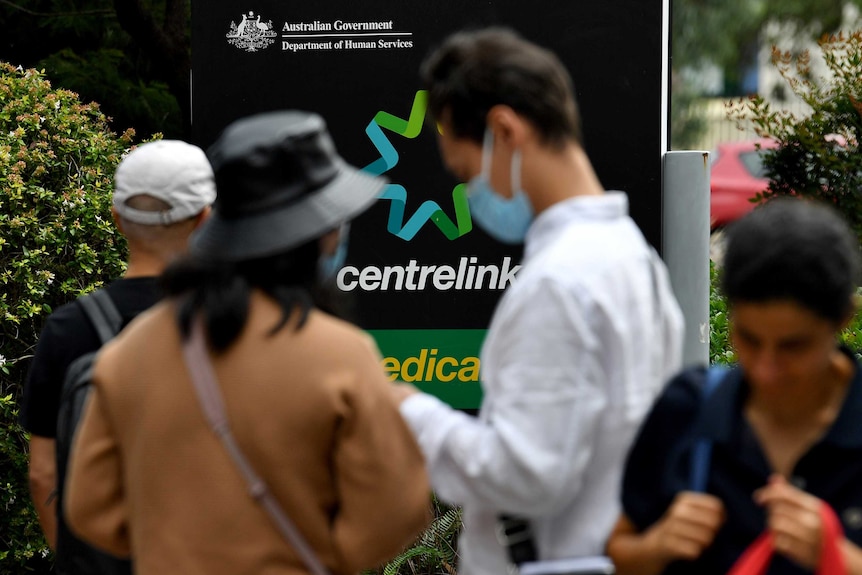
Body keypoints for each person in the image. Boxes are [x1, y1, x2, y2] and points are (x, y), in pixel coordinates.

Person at [63, 110, 431, 575]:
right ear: (323, 232)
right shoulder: (341, 356)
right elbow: (395, 512)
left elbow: (90, 511)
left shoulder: (129, 353)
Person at [392, 27, 685, 574]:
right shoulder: (635, 258)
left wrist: (409, 411)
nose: (467, 192)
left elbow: (525, 474)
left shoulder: (560, 282)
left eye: (463, 173)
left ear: (504, 130)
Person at [607, 198, 862, 575]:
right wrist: (658, 545)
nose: (766, 369)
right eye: (749, 338)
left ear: (843, 319)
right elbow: (620, 549)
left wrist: (837, 558)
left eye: (793, 346)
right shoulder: (688, 408)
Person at [20, 139, 215, 573]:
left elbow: (43, 475)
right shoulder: (240, 323)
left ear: (117, 219)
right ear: (204, 218)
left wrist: (78, 561)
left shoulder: (69, 328)